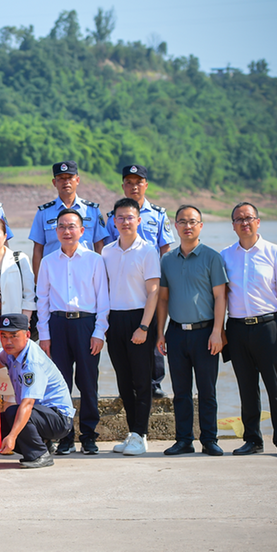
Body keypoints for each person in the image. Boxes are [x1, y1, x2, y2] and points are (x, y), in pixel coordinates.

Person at [221, 203, 277, 458]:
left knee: (276, 387)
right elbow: (221, 296)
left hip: (269, 327)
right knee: (247, 387)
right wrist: (220, 330)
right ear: (232, 225)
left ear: (258, 222)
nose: (244, 223)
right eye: (239, 219)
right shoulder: (225, 255)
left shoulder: (274, 252)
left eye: (249, 218)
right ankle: (252, 439)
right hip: (237, 328)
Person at [36, 208, 109, 456]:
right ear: (56, 231)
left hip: (86, 325)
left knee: (88, 383)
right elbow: (42, 300)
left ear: (81, 230)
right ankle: (65, 436)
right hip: (57, 326)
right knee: (60, 384)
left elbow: (103, 300)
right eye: (62, 227)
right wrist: (43, 335)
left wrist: (99, 332)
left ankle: (89, 436)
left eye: (71, 226)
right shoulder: (47, 262)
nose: (67, 231)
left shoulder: (95, 260)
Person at [156, 205, 227, 457]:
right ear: (175, 226)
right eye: (182, 222)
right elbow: (162, 299)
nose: (188, 226)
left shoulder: (212, 257)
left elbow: (220, 297)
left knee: (207, 391)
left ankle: (209, 439)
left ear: (200, 226)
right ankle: (184, 440)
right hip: (176, 333)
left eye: (193, 222)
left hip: (205, 333)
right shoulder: (167, 260)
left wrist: (217, 331)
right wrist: (160, 333)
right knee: (181, 392)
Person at [104, 164, 175, 397]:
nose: (134, 186)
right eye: (129, 182)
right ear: (123, 186)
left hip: (152, 281)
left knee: (152, 330)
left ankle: (155, 382)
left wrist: (164, 282)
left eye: (138, 182)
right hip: (126, 283)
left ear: (146, 185)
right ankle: (131, 383)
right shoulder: (114, 217)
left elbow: (165, 248)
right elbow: (107, 249)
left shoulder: (158, 214)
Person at [101, 198, 161, 456]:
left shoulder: (148, 250)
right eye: (120, 218)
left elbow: (154, 292)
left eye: (130, 217)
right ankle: (132, 433)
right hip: (115, 319)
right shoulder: (106, 252)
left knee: (142, 380)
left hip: (140, 319)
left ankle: (142, 434)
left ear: (139, 220)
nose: (125, 222)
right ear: (114, 222)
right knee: (123, 380)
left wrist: (144, 327)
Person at [0, 313, 76, 469]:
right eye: (3, 336)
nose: (8, 341)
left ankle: (40, 454)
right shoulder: (11, 352)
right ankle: (44, 444)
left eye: (14, 336)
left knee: (14, 413)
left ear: (27, 335)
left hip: (59, 419)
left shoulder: (32, 362)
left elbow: (27, 404)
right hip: (41, 415)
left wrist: (12, 436)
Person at [28, 160, 108, 278]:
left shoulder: (91, 210)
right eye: (61, 178)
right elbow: (38, 249)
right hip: (54, 274)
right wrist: (38, 281)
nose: (66, 182)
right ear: (54, 182)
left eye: (70, 177)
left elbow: (99, 245)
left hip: (86, 273)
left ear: (77, 180)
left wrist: (101, 276)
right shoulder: (44, 212)